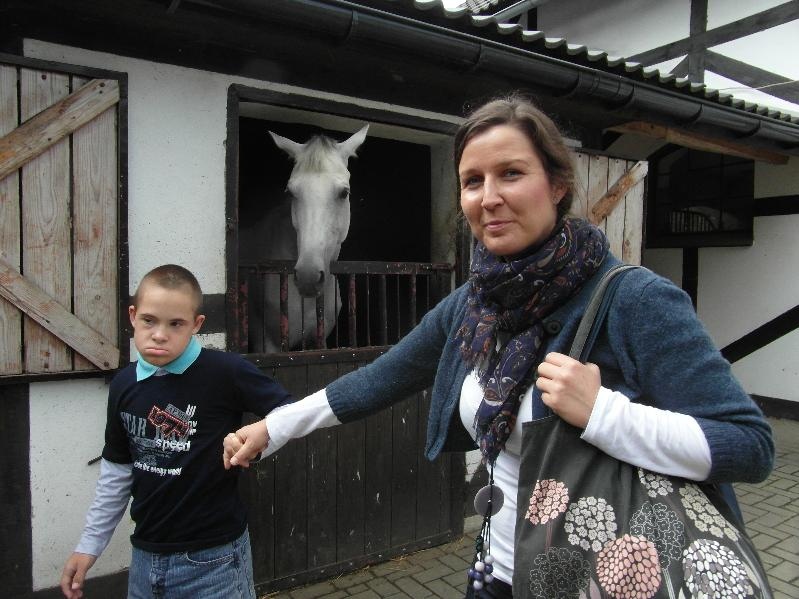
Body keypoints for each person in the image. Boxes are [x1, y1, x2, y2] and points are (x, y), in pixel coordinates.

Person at [223, 95, 774, 598]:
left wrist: (603, 414)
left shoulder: (635, 300)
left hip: (597, 580)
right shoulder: (474, 304)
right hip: (496, 573)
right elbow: (381, 378)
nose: (489, 198)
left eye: (511, 173)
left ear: (557, 185)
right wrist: (276, 427)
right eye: (472, 181)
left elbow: (749, 445)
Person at [60, 264, 292, 599]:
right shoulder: (124, 384)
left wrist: (257, 442)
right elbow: (117, 471)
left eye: (175, 324)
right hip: (144, 558)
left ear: (196, 324)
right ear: (132, 316)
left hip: (214, 562)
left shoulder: (225, 372)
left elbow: (289, 413)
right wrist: (89, 545)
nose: (159, 334)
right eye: (149, 320)